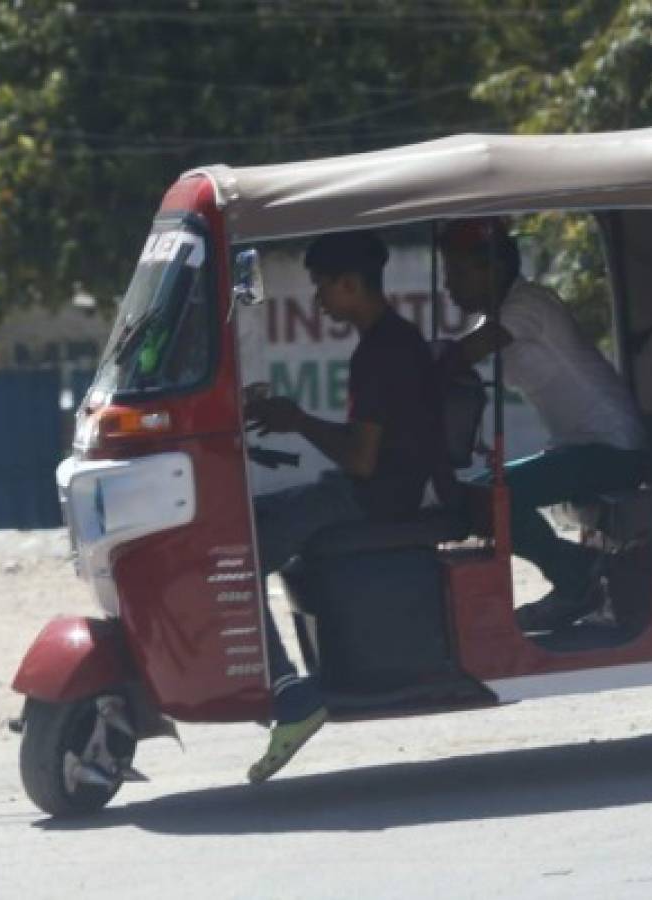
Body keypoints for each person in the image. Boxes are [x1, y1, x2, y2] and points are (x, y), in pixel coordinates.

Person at [244, 229, 441, 782]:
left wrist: (298, 420)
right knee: (255, 522)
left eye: (323, 287)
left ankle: (288, 695)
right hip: (373, 489)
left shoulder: (381, 353)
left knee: (239, 552)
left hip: (371, 496)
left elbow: (360, 459)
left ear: (352, 285)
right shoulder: (389, 342)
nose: (319, 300)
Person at [438, 217, 648, 632]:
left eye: (459, 272)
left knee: (491, 498)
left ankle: (577, 576)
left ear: (494, 269)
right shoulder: (502, 317)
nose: (449, 286)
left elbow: (461, 356)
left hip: (613, 447)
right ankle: (576, 577)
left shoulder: (527, 305)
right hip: (579, 448)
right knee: (481, 494)